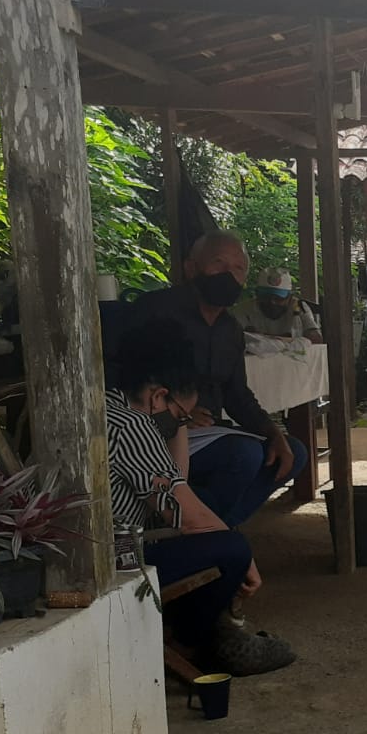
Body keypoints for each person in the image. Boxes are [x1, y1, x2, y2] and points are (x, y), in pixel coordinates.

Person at [106, 321, 294, 675]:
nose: (183, 423)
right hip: (112, 560)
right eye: (181, 415)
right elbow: (187, 516)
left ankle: (213, 629)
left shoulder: (111, 406)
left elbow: (178, 480)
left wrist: (175, 422)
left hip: (120, 538)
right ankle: (189, 642)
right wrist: (245, 557)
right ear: (158, 396)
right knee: (231, 548)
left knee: (209, 509)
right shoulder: (133, 426)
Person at [121, 231, 307, 527]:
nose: (229, 275)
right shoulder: (154, 311)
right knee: (243, 455)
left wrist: (273, 432)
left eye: (238, 268)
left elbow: (237, 395)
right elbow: (122, 379)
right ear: (191, 267)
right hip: (154, 432)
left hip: (210, 433)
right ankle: (203, 530)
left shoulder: (230, 329)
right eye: (219, 263)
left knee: (292, 452)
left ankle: (210, 529)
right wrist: (175, 413)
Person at [231, 268, 324, 343]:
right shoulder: (243, 309)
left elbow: (316, 339)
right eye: (266, 297)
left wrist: (263, 338)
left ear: (289, 297)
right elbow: (231, 338)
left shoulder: (299, 307)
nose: (272, 302)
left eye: (278, 299)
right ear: (257, 294)